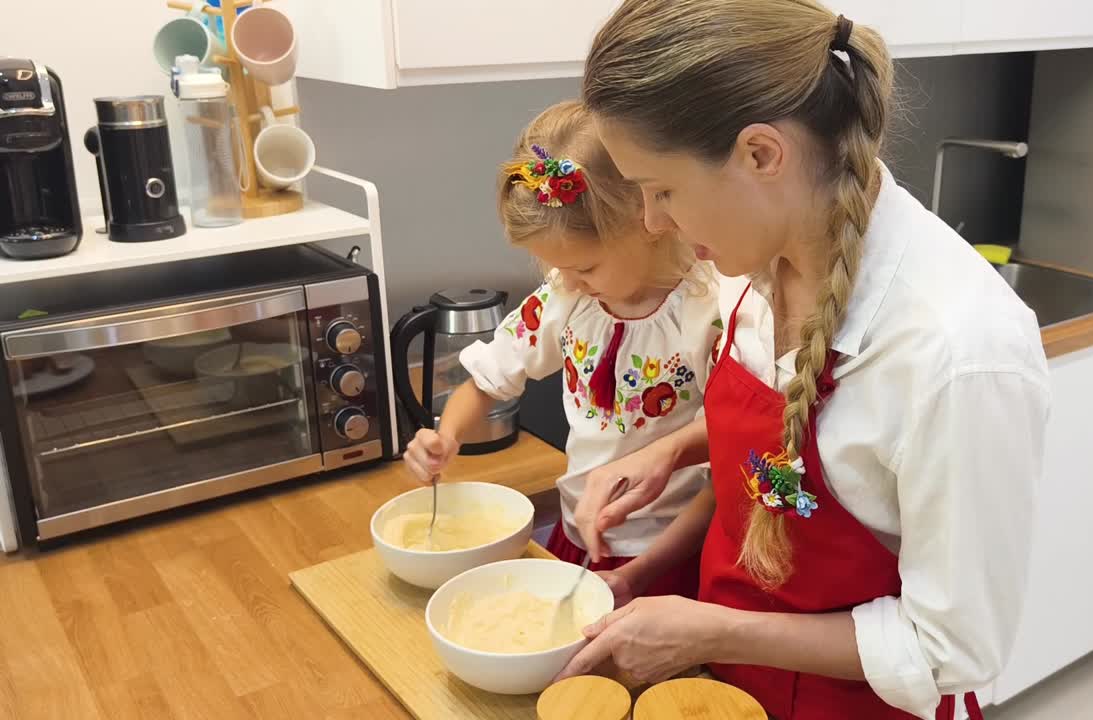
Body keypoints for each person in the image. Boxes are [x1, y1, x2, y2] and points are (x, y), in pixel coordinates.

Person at [557, 2, 1051, 719]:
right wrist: (678, 452)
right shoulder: (751, 265)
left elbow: (953, 650)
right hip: (723, 689)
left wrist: (717, 628)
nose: (653, 222)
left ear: (761, 154)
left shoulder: (958, 355)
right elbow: (795, 460)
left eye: (661, 190)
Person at [402, 100, 719, 601]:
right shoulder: (566, 298)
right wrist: (447, 436)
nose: (567, 282)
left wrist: (638, 575)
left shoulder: (705, 309)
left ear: (648, 222)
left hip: (670, 552)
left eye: (587, 268)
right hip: (578, 537)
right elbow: (487, 380)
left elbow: (730, 431)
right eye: (555, 267)